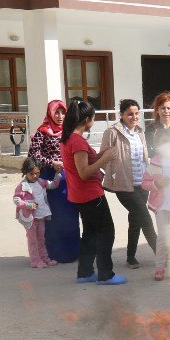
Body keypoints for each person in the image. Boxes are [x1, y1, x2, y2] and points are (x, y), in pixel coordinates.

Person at [60, 100, 124, 285]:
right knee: (106, 232)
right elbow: (84, 172)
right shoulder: (77, 141)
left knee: (90, 233)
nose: (94, 121)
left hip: (80, 194)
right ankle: (106, 274)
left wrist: (100, 154)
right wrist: (105, 159)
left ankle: (85, 273)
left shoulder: (69, 138)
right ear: (87, 119)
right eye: (93, 118)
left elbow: (82, 164)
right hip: (90, 194)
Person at [101, 99, 157, 269]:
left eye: (136, 113)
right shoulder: (112, 132)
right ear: (122, 115)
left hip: (142, 184)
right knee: (145, 218)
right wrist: (113, 172)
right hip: (124, 185)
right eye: (130, 114)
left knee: (136, 220)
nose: (134, 117)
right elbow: (102, 157)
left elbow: (143, 158)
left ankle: (130, 256)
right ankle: (162, 255)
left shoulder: (140, 132)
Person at [28, 99, 79, 263]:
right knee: (54, 216)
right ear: (50, 113)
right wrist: (51, 163)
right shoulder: (41, 132)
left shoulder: (69, 131)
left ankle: (73, 251)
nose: (60, 116)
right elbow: (33, 156)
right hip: (49, 179)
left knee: (70, 214)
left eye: (63, 112)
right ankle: (54, 253)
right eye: (56, 112)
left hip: (68, 178)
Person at [13, 157, 62, 268]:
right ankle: (35, 261)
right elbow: (16, 199)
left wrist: (58, 174)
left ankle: (45, 258)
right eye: (32, 174)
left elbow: (53, 185)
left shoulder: (40, 182)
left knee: (41, 239)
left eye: (37, 173)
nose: (35, 176)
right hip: (29, 219)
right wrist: (28, 205)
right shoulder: (22, 186)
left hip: (41, 216)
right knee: (33, 240)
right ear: (25, 172)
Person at [142, 153, 170, 282]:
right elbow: (144, 183)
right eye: (163, 141)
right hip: (161, 206)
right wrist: (157, 184)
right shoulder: (156, 162)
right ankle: (160, 267)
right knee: (163, 237)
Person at [145, 91, 170, 160]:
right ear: (157, 110)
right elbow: (147, 151)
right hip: (157, 166)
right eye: (163, 108)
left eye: (169, 108)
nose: (166, 111)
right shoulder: (150, 129)